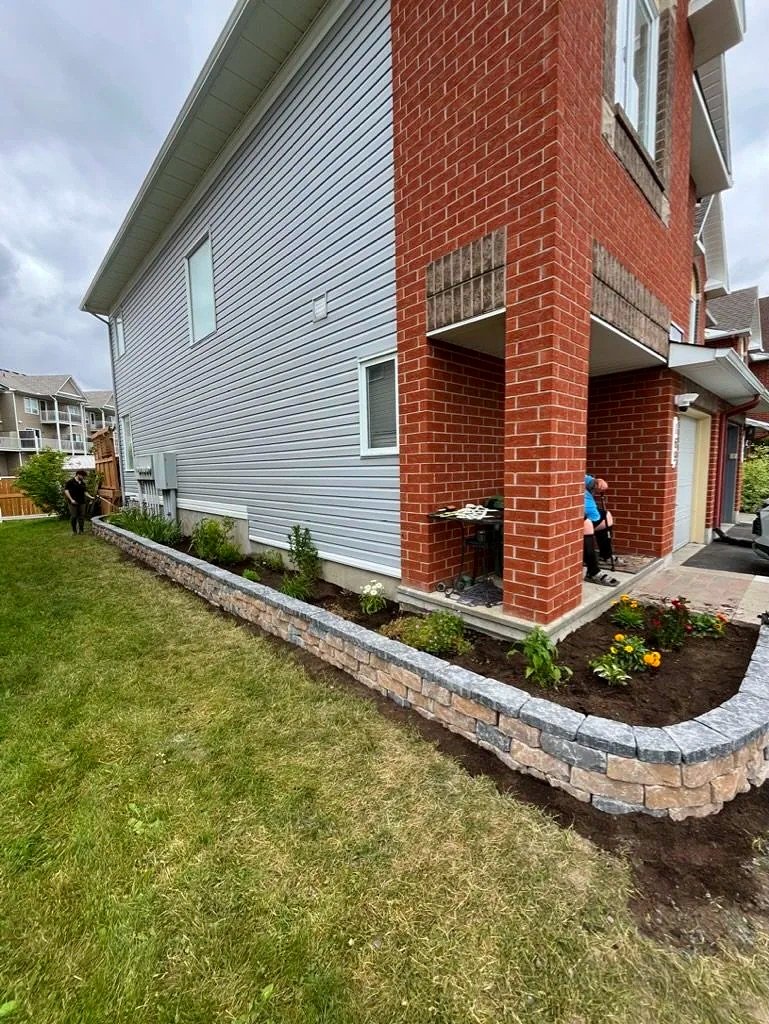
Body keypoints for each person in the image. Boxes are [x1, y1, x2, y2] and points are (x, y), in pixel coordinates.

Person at [583, 474, 622, 586]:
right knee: (587, 525)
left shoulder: (579, 473)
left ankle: (605, 556)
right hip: (574, 516)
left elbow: (593, 482)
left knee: (606, 517)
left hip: (592, 514)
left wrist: (599, 482)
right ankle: (592, 572)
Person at [64, 469, 96, 535]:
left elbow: (85, 492)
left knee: (81, 516)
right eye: (83, 476)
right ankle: (74, 531)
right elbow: (66, 491)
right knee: (74, 516)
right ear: (78, 475)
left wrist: (91, 497)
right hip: (73, 502)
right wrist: (71, 499)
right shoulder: (70, 482)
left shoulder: (82, 483)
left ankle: (81, 530)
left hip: (82, 502)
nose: (84, 477)